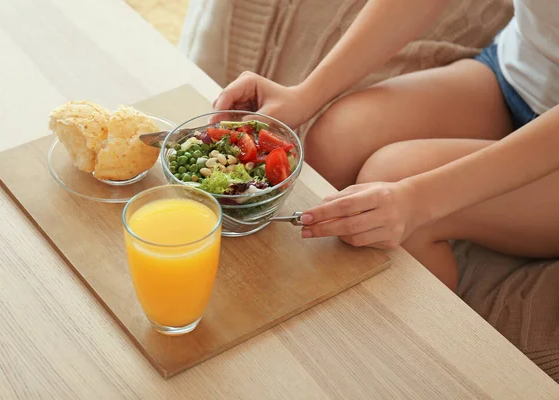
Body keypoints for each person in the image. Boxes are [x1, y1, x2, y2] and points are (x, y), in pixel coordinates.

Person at [211, 0, 559, 291]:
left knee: (391, 182)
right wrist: (304, 95)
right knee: (336, 142)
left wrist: (419, 200)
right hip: (515, 73)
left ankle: (409, 362)